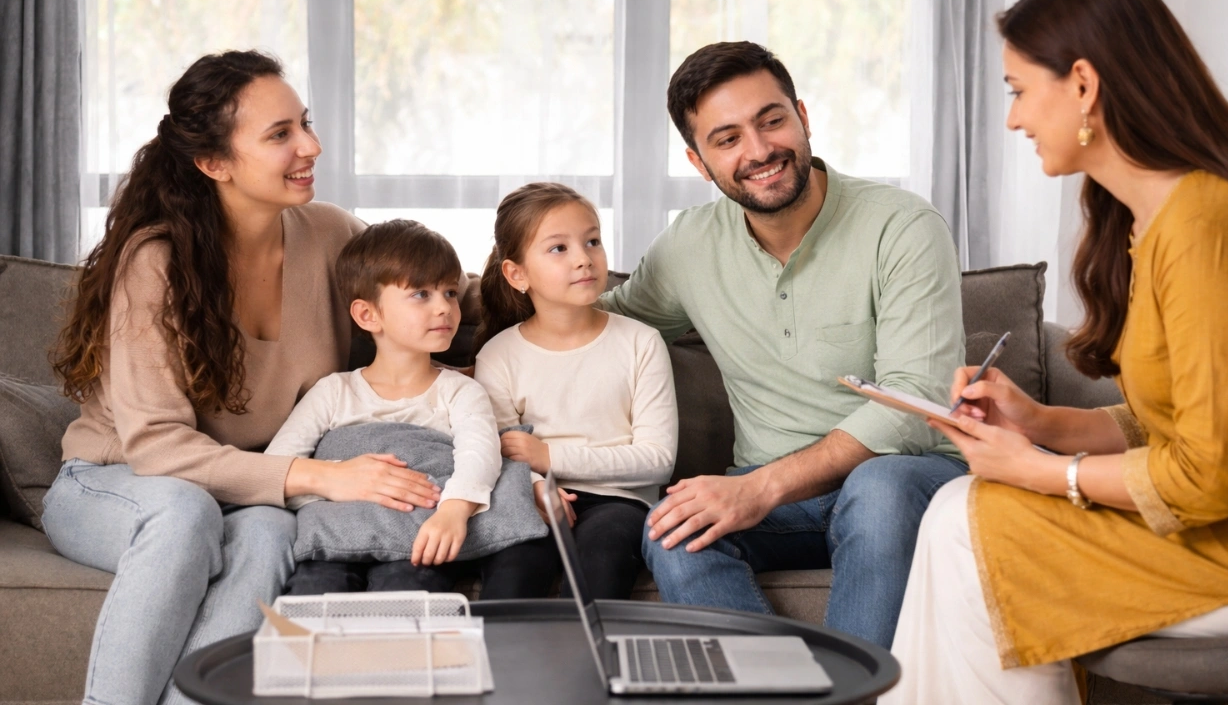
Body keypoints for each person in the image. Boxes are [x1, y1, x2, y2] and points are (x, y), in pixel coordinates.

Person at [883, 0, 1228, 702]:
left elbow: (1212, 475)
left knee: (971, 531)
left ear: (1084, 85)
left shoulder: (1205, 227)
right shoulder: (1151, 219)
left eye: (1018, 91)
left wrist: (1041, 470)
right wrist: (1039, 422)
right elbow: (1167, 423)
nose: (1012, 118)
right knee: (958, 510)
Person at [40, 51, 441, 705]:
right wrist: (322, 476)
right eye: (280, 134)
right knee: (184, 512)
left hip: (239, 494)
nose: (311, 146)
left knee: (271, 529)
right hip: (114, 483)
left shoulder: (332, 234)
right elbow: (159, 449)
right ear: (214, 162)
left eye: (305, 123)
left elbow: (431, 297)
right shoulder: (155, 262)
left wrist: (557, 310)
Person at [599, 41, 968, 648]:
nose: (759, 150)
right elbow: (600, 327)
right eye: (728, 139)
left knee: (878, 489)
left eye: (771, 120)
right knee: (673, 528)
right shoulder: (689, 246)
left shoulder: (902, 226)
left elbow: (914, 402)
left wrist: (760, 488)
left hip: (906, 479)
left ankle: (855, 689)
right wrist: (479, 307)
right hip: (779, 499)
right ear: (699, 163)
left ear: (802, 116)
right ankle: (777, 684)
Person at [270, 220, 555, 598]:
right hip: (334, 537)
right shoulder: (332, 392)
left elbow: (480, 455)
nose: (444, 308)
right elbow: (278, 467)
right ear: (368, 315)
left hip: (421, 535)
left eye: (450, 293)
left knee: (406, 590)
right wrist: (336, 492)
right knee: (314, 592)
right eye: (421, 294)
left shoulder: (462, 391)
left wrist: (453, 512)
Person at [472, 182, 678, 600]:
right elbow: (498, 454)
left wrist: (550, 457)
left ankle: (583, 647)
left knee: (601, 559)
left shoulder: (641, 342)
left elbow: (658, 461)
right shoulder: (498, 355)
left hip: (619, 502)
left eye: (592, 241)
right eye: (559, 248)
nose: (584, 258)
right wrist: (535, 486)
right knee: (513, 570)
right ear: (517, 274)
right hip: (532, 496)